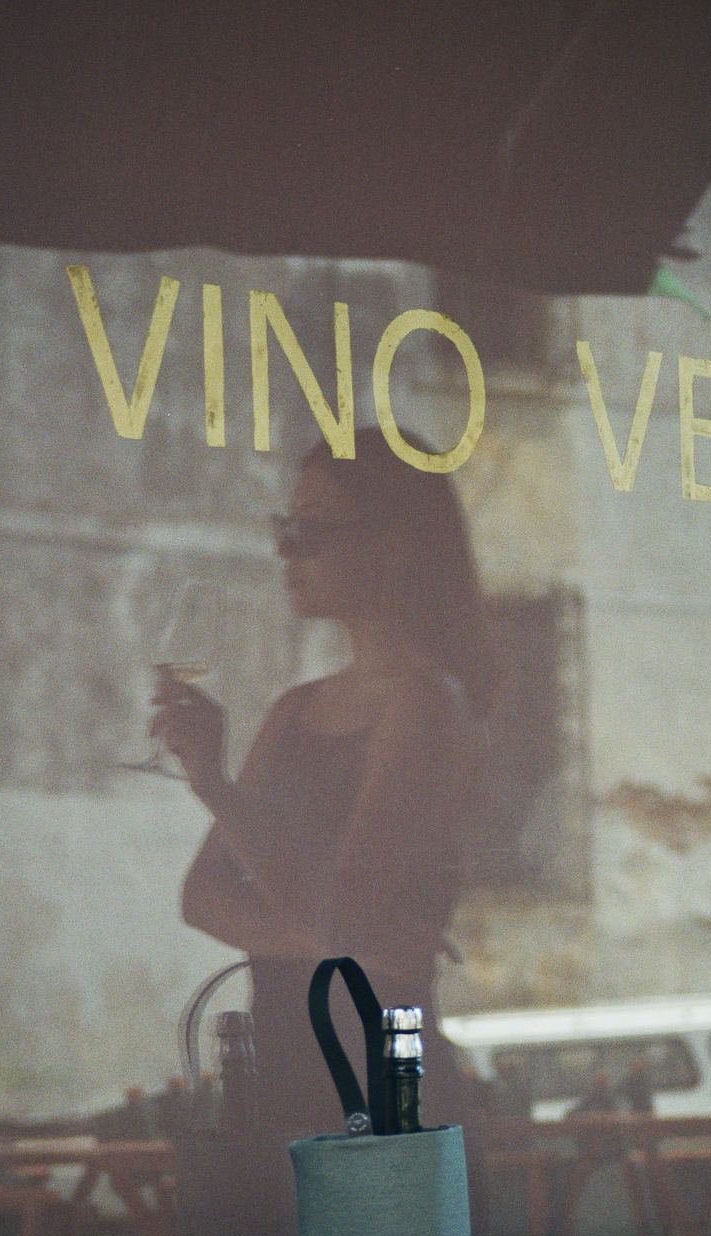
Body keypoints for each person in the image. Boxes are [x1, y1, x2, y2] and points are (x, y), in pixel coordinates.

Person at [151, 427, 497, 1139]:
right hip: (285, 1075)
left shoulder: (427, 704)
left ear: (394, 544)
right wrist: (355, 946)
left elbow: (338, 913)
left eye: (311, 530)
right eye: (288, 526)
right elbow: (200, 897)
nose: (285, 549)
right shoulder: (295, 710)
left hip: (385, 1080)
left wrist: (216, 784)